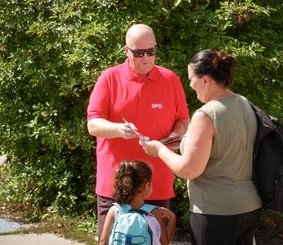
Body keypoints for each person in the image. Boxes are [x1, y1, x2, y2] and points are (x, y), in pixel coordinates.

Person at [142, 49, 263, 245]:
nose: (190, 85)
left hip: (216, 211)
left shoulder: (205, 115)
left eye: (191, 79)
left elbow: (189, 169)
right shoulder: (244, 103)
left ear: (205, 80)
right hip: (249, 207)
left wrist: (159, 150)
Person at [87, 23, 189, 240]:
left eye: (151, 52)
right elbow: (93, 124)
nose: (146, 58)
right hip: (117, 184)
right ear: (127, 51)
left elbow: (183, 121)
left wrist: (174, 138)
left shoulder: (170, 79)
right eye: (139, 52)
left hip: (155, 185)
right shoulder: (110, 77)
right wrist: (118, 129)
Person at [99, 160, 176, 245]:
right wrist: (172, 218)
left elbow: (103, 242)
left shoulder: (115, 210)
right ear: (147, 186)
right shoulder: (153, 213)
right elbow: (164, 243)